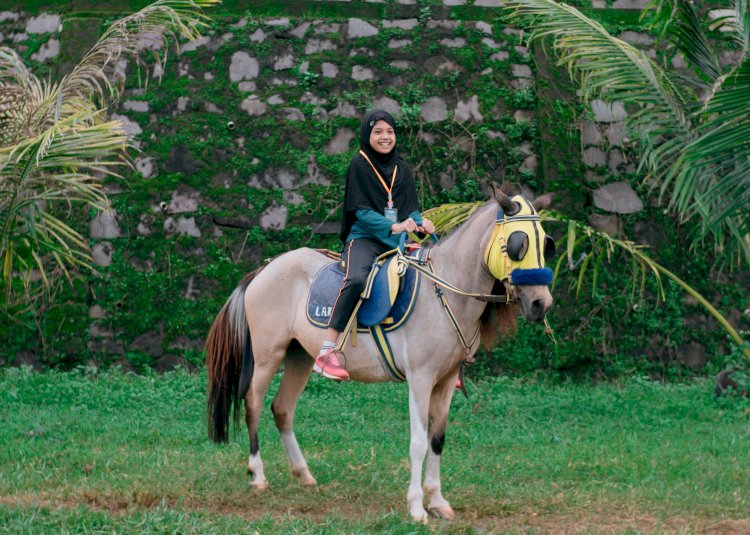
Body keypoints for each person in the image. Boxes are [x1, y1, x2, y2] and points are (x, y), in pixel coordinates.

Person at [314, 109, 435, 381]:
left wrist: (422, 223)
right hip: (365, 238)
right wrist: (393, 226)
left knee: (430, 273)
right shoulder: (359, 164)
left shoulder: (402, 168)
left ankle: (436, 355)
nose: (385, 137)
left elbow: (410, 211)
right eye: (378, 131)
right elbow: (361, 211)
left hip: (396, 242)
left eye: (390, 131)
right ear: (367, 134)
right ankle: (326, 350)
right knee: (356, 279)